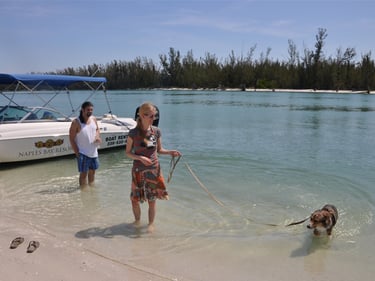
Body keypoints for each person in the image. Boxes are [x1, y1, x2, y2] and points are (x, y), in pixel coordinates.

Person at [125, 102, 181, 232]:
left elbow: (160, 150)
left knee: (152, 200)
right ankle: (137, 221)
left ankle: (151, 224)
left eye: (154, 116)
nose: (153, 119)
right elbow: (128, 153)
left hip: (154, 170)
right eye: (150, 116)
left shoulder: (156, 131)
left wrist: (170, 152)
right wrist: (140, 158)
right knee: (134, 199)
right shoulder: (133, 133)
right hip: (138, 171)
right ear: (142, 115)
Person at [69, 101, 101, 186]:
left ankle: (91, 192)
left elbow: (97, 129)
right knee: (83, 175)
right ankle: (83, 193)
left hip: (94, 152)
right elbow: (71, 139)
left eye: (91, 110)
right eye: (88, 110)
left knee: (92, 172)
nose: (90, 111)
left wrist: (97, 137)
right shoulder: (76, 122)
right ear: (82, 110)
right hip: (83, 153)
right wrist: (77, 153)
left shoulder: (93, 119)